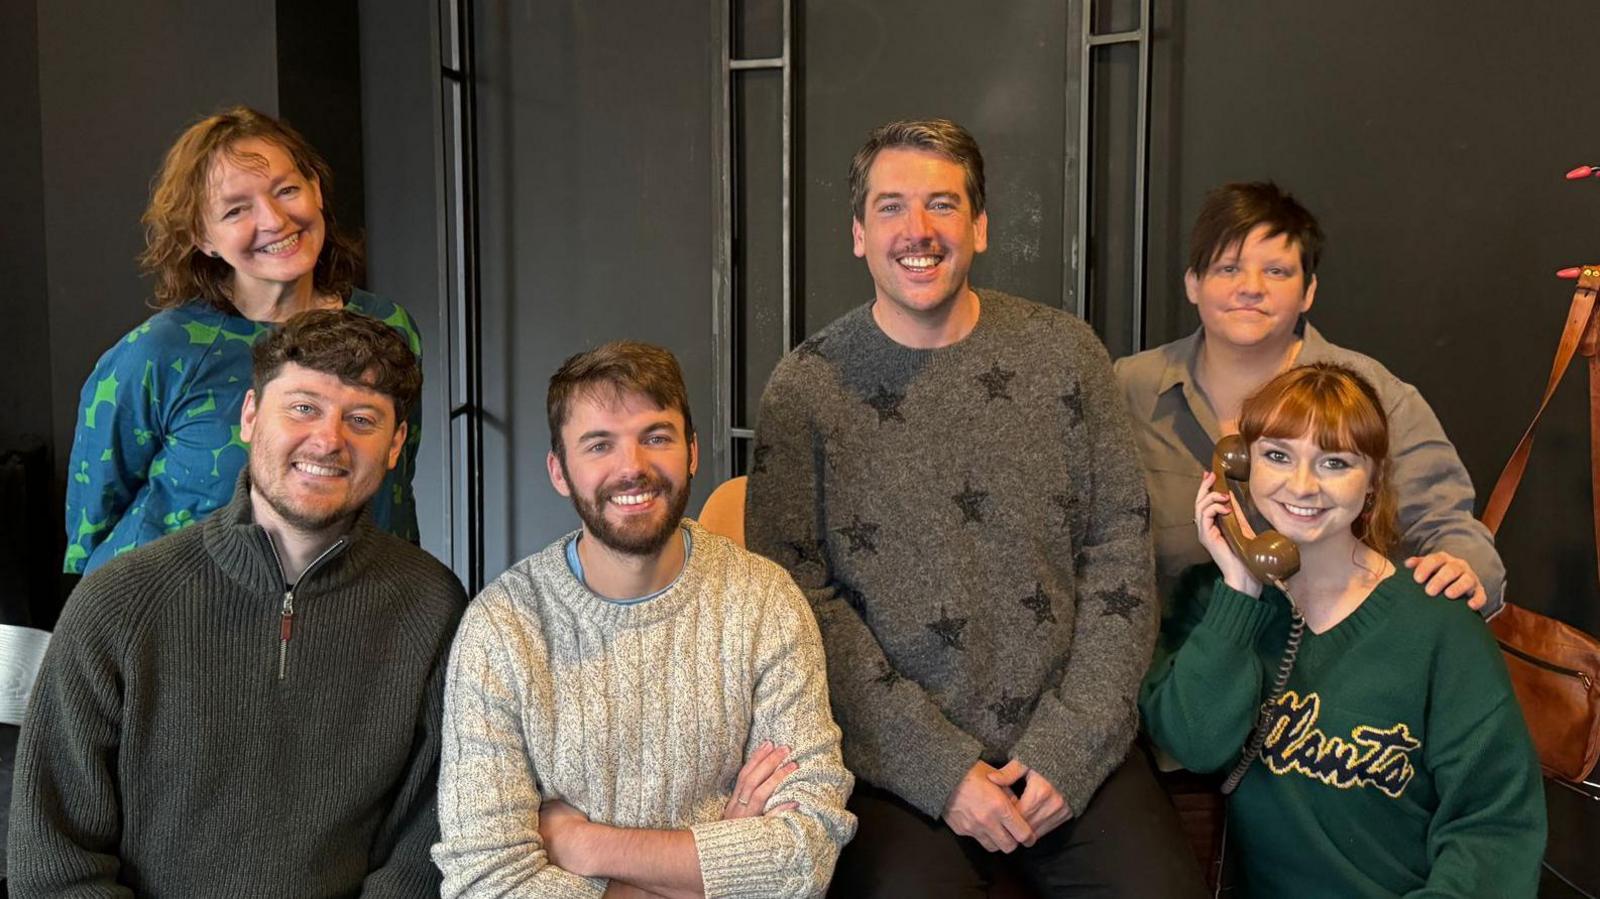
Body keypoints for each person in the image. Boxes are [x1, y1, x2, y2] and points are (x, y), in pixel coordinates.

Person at [747, 119, 1204, 896]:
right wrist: (942, 770)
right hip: (895, 770)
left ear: (980, 226)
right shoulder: (805, 389)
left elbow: (1119, 558)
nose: (917, 231)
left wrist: (1070, 746)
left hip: (1068, 747)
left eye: (942, 205)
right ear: (858, 235)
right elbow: (797, 605)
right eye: (890, 208)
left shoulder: (1067, 356)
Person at [8, 309, 466, 895]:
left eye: (362, 418)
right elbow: (53, 863)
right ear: (250, 416)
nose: (328, 439)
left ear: (396, 443)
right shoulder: (118, 603)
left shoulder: (433, 607)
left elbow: (433, 827)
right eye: (303, 407)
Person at [432, 341, 855, 898]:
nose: (632, 468)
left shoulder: (764, 603)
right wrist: (717, 868)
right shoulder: (501, 628)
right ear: (559, 471)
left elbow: (807, 853)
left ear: (692, 452)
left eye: (655, 437)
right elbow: (484, 880)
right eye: (599, 445)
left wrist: (585, 845)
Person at [1140, 362, 1544, 897]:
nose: (1302, 486)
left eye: (1334, 462)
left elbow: (1495, 823)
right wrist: (1240, 589)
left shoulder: (1437, 622)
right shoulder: (1211, 602)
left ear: (1373, 478)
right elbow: (1196, 744)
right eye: (1277, 456)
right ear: (1238, 467)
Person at [63, 106, 423, 577]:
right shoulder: (157, 353)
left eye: (287, 190)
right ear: (203, 237)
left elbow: (393, 489)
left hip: (342, 612)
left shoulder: (388, 327)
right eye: (236, 210)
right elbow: (90, 526)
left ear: (315, 189)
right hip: (175, 620)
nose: (274, 220)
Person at [1115, 181, 1503, 615]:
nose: (1251, 288)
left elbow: (1450, 530)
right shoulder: (1128, 387)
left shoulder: (1373, 395)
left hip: (1338, 664)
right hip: (1176, 663)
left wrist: (1461, 569)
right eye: (1228, 269)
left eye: (1277, 272)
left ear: (1308, 292)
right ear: (1193, 284)